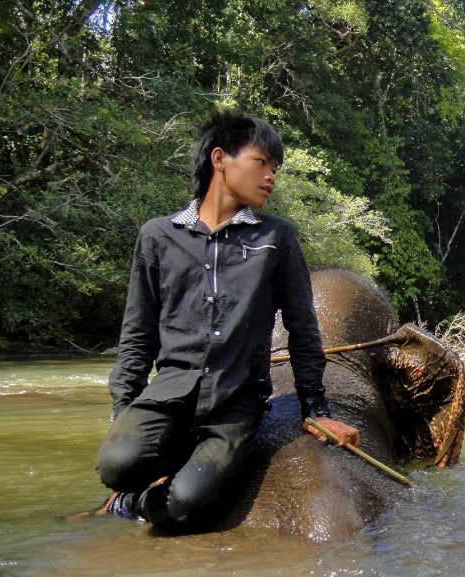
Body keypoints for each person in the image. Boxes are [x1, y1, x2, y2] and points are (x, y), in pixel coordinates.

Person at [86, 109, 361, 526]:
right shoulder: (159, 236)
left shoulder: (276, 237)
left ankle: (134, 505)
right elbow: (138, 333)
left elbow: (302, 325)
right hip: (170, 395)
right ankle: (131, 485)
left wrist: (315, 407)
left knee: (182, 506)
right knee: (117, 466)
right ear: (220, 159)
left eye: (276, 168)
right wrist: (125, 409)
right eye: (261, 163)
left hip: (236, 404)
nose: (271, 176)